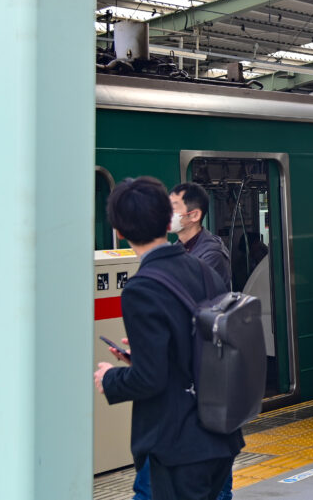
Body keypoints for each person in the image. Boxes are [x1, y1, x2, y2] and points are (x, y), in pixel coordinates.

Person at [94, 177, 241, 500]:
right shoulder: (203, 270)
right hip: (220, 434)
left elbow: (151, 379)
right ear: (166, 220)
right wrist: (143, 356)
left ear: (119, 231)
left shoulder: (141, 288)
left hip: (179, 444)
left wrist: (111, 378)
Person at [133, 183, 236, 500]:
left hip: (202, 386)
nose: (167, 214)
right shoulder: (181, 252)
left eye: (173, 207)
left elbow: (188, 312)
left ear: (194, 215)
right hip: (183, 387)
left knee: (208, 484)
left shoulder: (209, 256)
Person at [170, 182, 231, 289]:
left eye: (173, 209)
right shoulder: (176, 248)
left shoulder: (213, 254)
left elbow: (184, 291)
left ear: (195, 215)